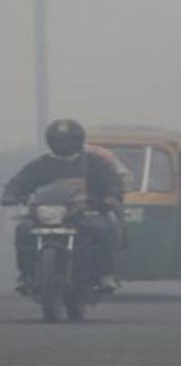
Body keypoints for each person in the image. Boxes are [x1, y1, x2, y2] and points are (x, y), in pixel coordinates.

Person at [1, 119, 124, 291]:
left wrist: (112, 196)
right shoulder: (40, 164)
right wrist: (10, 195)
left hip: (85, 211)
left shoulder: (95, 162)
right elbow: (19, 182)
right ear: (50, 141)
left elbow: (112, 181)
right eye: (58, 140)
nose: (63, 144)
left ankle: (106, 275)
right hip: (47, 214)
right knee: (23, 230)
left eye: (69, 140)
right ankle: (27, 274)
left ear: (79, 140)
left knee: (102, 228)